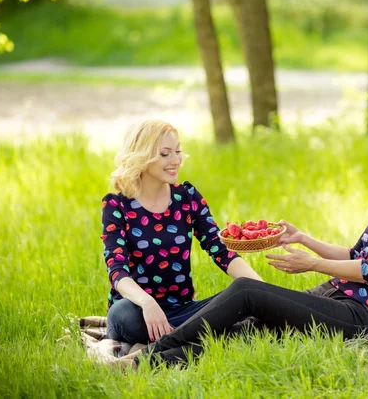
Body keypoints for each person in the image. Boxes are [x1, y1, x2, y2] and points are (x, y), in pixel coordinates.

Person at [115, 109, 368, 368]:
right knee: (250, 329)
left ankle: (150, 351)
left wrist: (311, 264)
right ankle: (141, 366)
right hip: (338, 293)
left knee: (247, 292)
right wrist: (304, 239)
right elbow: (354, 252)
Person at [101, 119, 262, 345]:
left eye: (177, 151)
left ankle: (181, 336)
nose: (176, 160)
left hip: (185, 310)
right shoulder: (117, 206)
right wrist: (147, 302)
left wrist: (262, 290)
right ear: (142, 156)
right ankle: (211, 332)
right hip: (138, 312)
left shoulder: (186, 198)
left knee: (242, 294)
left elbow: (222, 252)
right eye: (165, 154)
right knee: (122, 315)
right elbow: (117, 272)